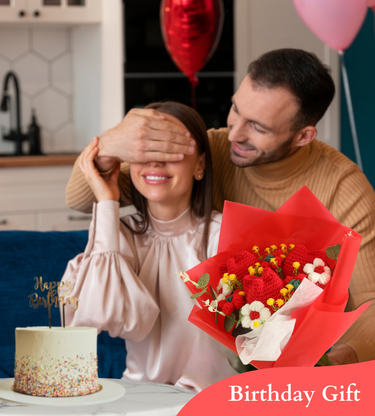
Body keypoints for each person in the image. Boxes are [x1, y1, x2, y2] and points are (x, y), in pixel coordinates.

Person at [66, 49, 375, 366]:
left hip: (307, 361)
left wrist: (330, 365)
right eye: (236, 110)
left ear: (302, 136)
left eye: (258, 127)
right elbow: (80, 198)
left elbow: (371, 302)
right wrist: (108, 146)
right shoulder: (211, 149)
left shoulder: (344, 189)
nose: (235, 132)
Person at [61, 101, 240, 392]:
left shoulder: (226, 236)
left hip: (206, 399)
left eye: (171, 150)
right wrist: (106, 203)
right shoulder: (121, 234)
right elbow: (100, 314)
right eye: (145, 151)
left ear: (200, 165)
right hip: (139, 398)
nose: (155, 162)